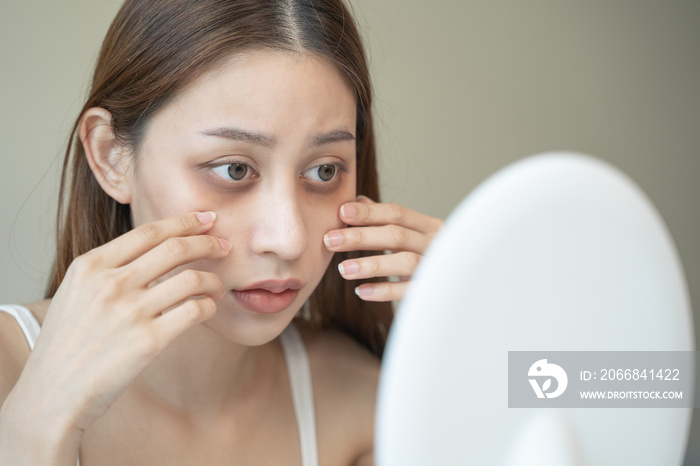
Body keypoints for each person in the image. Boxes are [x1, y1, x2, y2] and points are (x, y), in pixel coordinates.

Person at [0, 0, 443, 464]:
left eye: (325, 171)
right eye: (234, 170)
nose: (287, 238)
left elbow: (527, 415)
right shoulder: (13, 376)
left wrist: (499, 320)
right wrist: (32, 432)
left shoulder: (356, 399)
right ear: (112, 155)